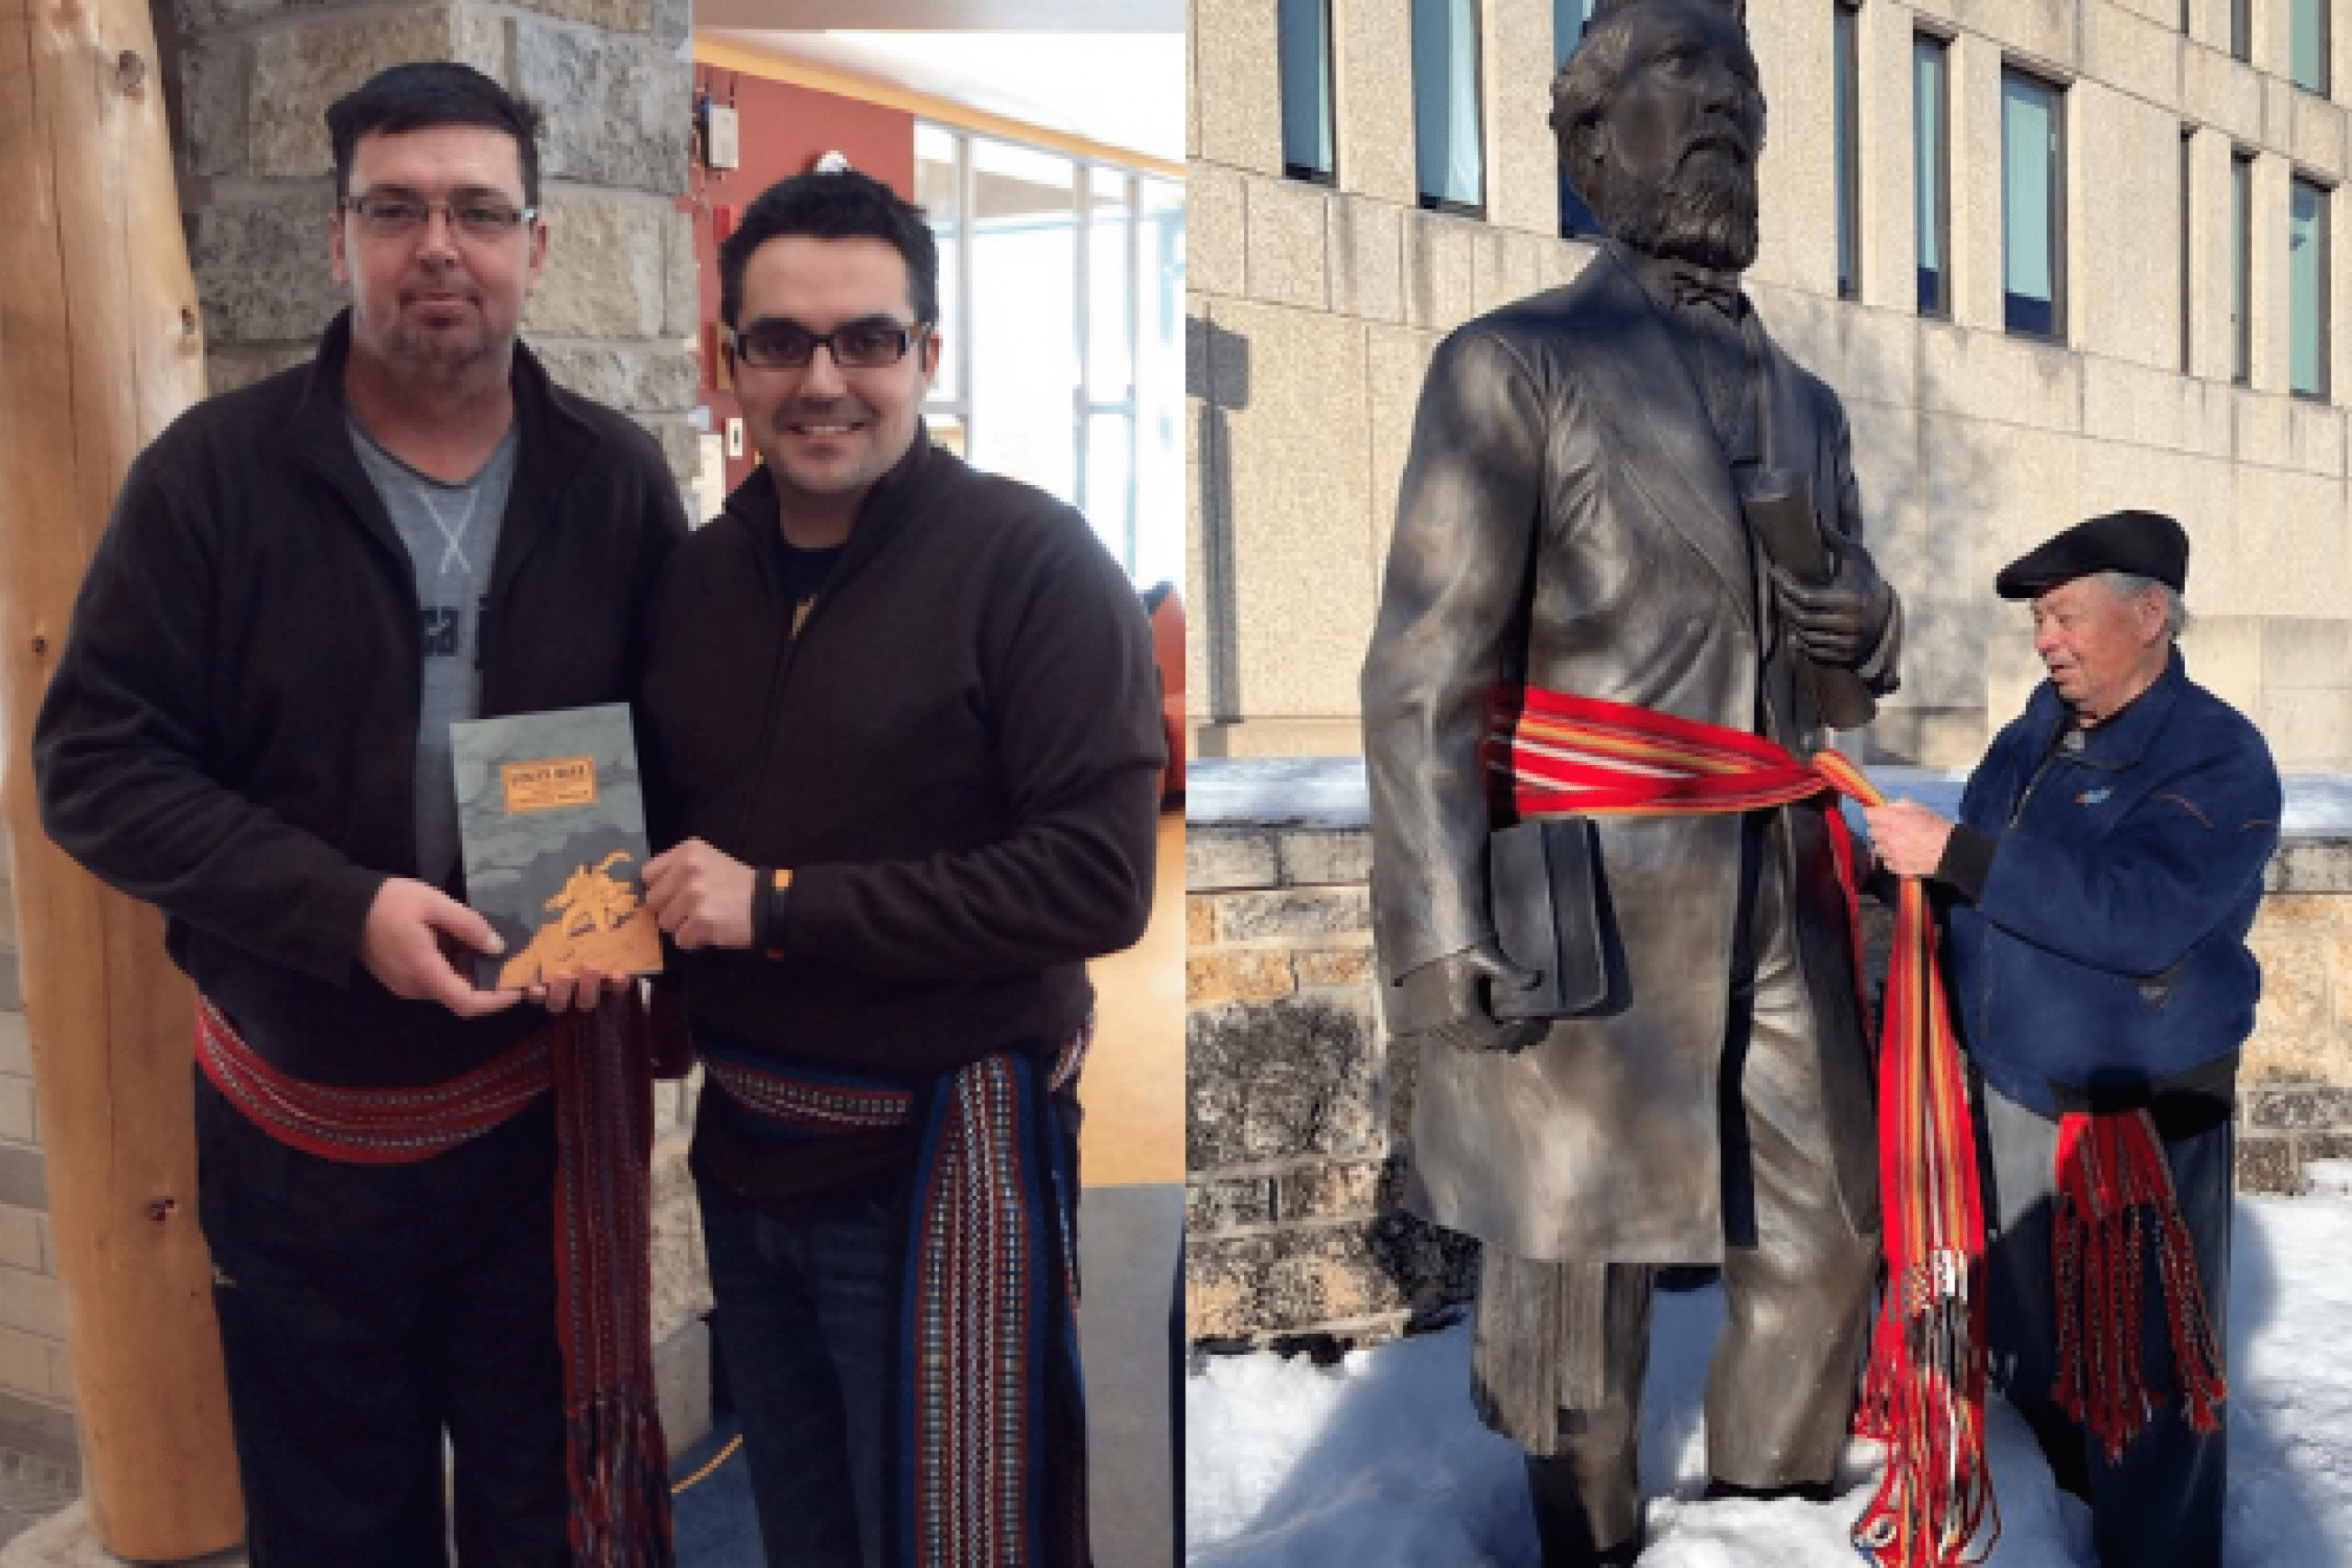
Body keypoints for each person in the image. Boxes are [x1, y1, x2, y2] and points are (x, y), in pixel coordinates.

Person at [32, 62, 685, 1565]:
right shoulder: (212, 480)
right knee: (333, 1525)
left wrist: (631, 912)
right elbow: (96, 765)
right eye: (395, 209)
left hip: (538, 1125)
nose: (437, 245)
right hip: (296, 1133)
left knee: (545, 1514)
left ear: (535, 244)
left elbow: (680, 748)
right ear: (340, 238)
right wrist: (345, 910)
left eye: (477, 211)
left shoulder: (615, 481)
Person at [1359, 0, 1904, 1560]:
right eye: (1685, 72)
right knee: (1572, 1280)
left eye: (1743, 83)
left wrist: (1866, 622)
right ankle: (1588, 1547)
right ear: (1593, 141)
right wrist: (1440, 927)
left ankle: (1763, 1523)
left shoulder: (1812, 403)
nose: (1726, 102)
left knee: (1829, 1233)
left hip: (1782, 874)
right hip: (1585, 878)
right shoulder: (1512, 363)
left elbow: (1848, 664)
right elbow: (1423, 675)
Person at [635, 167, 1162, 1568]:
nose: (823, 380)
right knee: (805, 1532)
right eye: (781, 341)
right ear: (728, 361)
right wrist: (624, 957)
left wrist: (779, 904)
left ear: (927, 353)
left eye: (866, 338)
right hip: (744, 1152)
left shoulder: (1034, 563)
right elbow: (660, 829)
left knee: (957, 1539)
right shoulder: (691, 581)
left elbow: (1096, 880)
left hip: (938, 1158)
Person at [1866, 510, 2275, 1568]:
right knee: (2043, 1340)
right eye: (2038, 620)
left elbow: (2137, 913)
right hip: (2012, 1089)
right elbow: (1981, 885)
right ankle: (2068, 1512)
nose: (2043, 639)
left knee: (2148, 1368)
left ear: (2147, 615)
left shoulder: (2217, 754)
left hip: (2137, 1111)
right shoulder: (2032, 733)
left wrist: (1956, 855)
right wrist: (1897, 884)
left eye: (2062, 616)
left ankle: (2160, 1552)